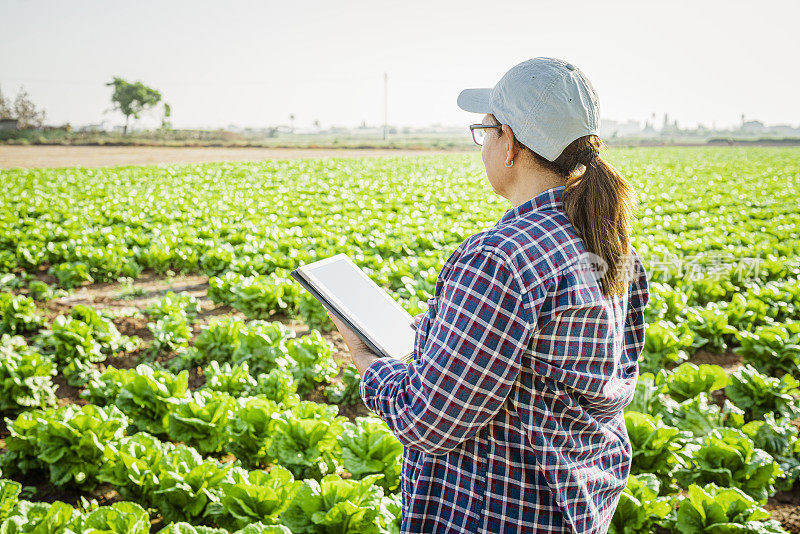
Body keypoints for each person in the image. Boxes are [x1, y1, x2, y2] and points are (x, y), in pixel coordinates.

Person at [327, 56, 650, 534]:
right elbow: (547, 371)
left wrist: (366, 359)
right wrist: (442, 332)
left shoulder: (502, 256)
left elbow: (428, 421)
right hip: (573, 508)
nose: (482, 145)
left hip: (496, 514)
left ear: (511, 144)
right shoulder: (612, 244)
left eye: (485, 131)